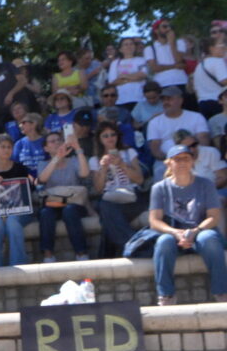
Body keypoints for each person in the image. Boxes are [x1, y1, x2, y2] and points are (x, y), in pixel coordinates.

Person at [148, 145, 227, 305]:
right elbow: (154, 220)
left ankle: (222, 292)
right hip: (172, 233)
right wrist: (176, 233)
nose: (182, 162)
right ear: (169, 163)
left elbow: (214, 217)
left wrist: (195, 231)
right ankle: (166, 295)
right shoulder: (159, 188)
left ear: (192, 162)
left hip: (201, 230)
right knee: (163, 242)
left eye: (186, 158)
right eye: (177, 159)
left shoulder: (206, 184)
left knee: (210, 239)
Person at [89, 121, 144, 257]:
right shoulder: (94, 160)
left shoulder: (129, 152)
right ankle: (133, 245)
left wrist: (122, 164)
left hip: (132, 197)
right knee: (106, 207)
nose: (110, 138)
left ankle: (105, 257)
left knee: (107, 215)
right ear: (100, 139)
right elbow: (98, 188)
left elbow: (139, 179)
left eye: (112, 134)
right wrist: (103, 168)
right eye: (105, 136)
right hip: (110, 198)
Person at [36, 130, 91, 262]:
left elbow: (84, 174)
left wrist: (78, 149)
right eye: (52, 141)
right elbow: (42, 179)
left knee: (69, 211)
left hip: (74, 203)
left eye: (59, 140)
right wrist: (57, 158)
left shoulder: (73, 161)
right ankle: (48, 255)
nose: (57, 143)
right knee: (45, 213)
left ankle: (81, 253)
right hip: (52, 204)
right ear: (46, 148)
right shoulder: (43, 164)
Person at [0, 135, 33, 267]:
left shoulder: (20, 168)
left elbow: (27, 194)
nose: (6, 150)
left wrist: (7, 213)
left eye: (9, 147)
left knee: (12, 222)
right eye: (2, 147)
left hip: (20, 212)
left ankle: (18, 265)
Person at [147, 86, 210, 170]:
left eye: (169, 99)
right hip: (167, 161)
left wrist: (189, 158)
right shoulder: (154, 122)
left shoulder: (196, 117)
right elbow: (155, 149)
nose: (166, 102)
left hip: (195, 157)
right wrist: (173, 160)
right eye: (163, 100)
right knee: (159, 170)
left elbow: (203, 142)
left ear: (180, 100)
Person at [145, 17, 191, 94]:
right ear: (156, 30)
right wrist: (174, 66)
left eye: (170, 27)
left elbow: (179, 60)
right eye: (164, 26)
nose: (168, 29)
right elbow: (154, 68)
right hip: (162, 83)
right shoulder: (150, 48)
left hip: (181, 81)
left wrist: (172, 43)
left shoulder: (179, 43)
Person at [107, 36, 148, 112]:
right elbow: (113, 82)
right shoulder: (115, 63)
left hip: (140, 98)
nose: (129, 46)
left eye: (131, 44)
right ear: (120, 49)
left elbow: (142, 75)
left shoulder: (141, 60)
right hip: (121, 100)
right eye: (126, 44)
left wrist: (124, 76)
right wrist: (133, 77)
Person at [191, 43, 227, 120]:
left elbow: (195, 88)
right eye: (222, 47)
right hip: (218, 102)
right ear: (211, 48)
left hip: (202, 103)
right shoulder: (218, 61)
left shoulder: (199, 65)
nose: (224, 49)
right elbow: (224, 81)